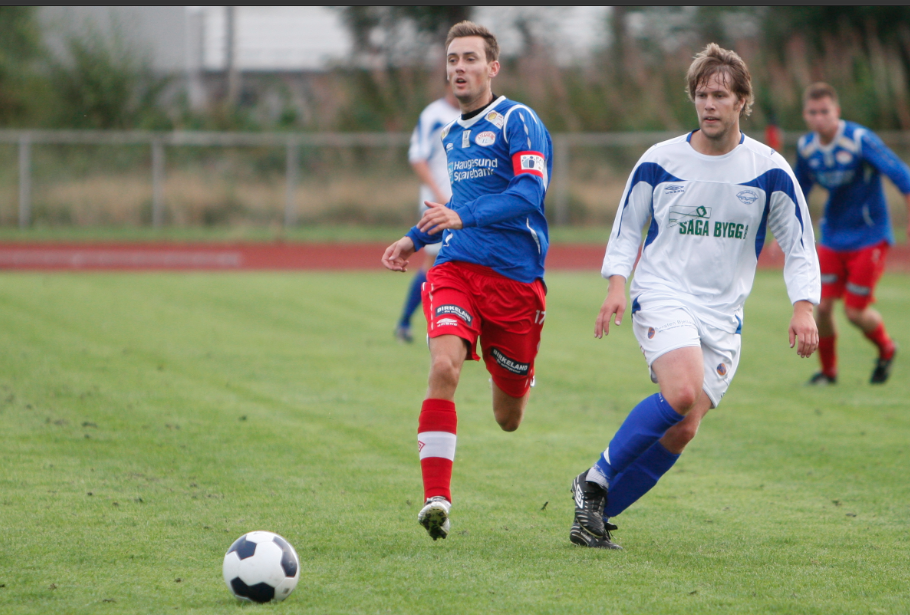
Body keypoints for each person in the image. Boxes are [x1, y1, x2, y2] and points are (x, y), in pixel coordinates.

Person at [569, 43, 821, 550]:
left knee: (684, 428)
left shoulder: (769, 170)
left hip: (724, 315)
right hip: (663, 292)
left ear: (742, 101)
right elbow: (626, 229)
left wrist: (803, 305)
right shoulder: (660, 160)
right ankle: (593, 481)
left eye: (720, 95)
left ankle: (594, 516)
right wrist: (617, 284)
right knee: (682, 391)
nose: (708, 104)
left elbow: (799, 245)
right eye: (701, 94)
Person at [382, 20, 552, 541]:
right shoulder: (452, 133)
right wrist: (414, 237)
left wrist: (463, 217)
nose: (460, 67)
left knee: (509, 417)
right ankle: (437, 498)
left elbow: (529, 192)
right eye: (453, 59)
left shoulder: (517, 120)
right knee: (443, 366)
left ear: (492, 67)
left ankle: (517, 376)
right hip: (456, 267)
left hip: (515, 282)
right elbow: (460, 204)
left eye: (470, 59)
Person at [796, 82, 910, 385]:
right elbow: (796, 194)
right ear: (805, 115)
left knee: (855, 312)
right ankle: (828, 372)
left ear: (837, 112)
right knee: (821, 308)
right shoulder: (807, 147)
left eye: (825, 111)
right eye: (813, 112)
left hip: (869, 235)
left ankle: (887, 348)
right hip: (832, 235)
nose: (819, 117)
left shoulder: (860, 140)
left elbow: (904, 178)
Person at [394, 81, 460, 343]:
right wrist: (440, 195)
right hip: (438, 204)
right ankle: (408, 323)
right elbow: (417, 158)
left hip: (465, 208)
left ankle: (446, 328)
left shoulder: (478, 115)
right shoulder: (433, 115)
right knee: (433, 266)